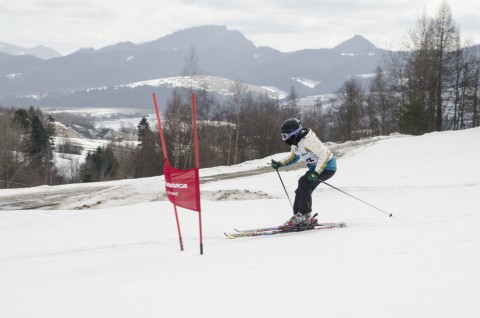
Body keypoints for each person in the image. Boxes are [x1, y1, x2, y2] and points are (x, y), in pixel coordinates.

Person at [271, 118, 337, 226]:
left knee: (304, 183)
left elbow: (324, 155)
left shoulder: (309, 141)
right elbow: (293, 157)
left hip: (328, 167)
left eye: (285, 136)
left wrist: (316, 173)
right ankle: (298, 216)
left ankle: (305, 215)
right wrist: (280, 164)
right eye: (282, 136)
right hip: (315, 169)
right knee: (300, 189)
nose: (284, 139)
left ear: (294, 133)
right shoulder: (296, 142)